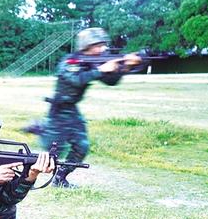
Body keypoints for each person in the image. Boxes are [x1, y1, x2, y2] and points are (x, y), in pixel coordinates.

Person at [31, 27, 140, 188]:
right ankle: (40, 133)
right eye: (98, 45)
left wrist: (125, 67)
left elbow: (111, 81)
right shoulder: (71, 61)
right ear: (86, 45)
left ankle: (60, 179)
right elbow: (76, 80)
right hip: (58, 110)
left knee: (82, 146)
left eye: (103, 45)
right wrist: (100, 70)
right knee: (52, 149)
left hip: (72, 110)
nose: (102, 48)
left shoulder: (95, 62)